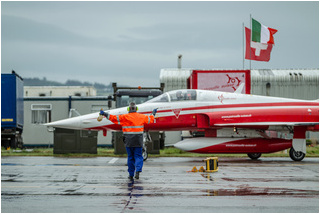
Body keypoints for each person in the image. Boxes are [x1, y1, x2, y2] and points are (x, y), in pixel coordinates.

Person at [99, 102, 157, 180]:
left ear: (128, 109)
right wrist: (153, 113)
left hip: (128, 140)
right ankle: (138, 171)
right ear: (136, 109)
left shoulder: (124, 117)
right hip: (138, 140)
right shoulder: (141, 117)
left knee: (130, 157)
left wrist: (105, 114)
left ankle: (130, 175)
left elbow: (113, 118)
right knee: (138, 156)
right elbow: (150, 119)